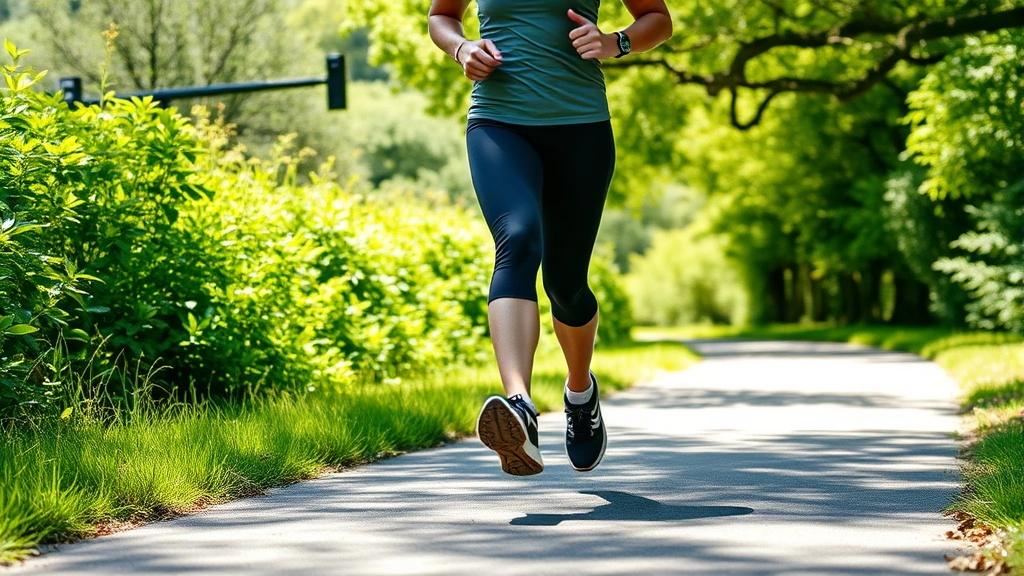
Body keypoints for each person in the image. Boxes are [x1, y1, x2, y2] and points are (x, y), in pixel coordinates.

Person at [427, 0, 672, 475]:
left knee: (565, 281)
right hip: (498, 121)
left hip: (581, 128)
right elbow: (442, 16)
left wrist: (615, 42)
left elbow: (657, 19)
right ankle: (519, 406)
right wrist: (462, 50)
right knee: (517, 240)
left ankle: (580, 393)